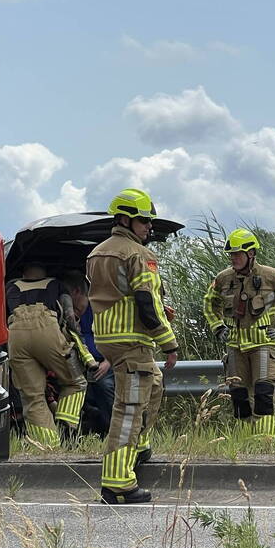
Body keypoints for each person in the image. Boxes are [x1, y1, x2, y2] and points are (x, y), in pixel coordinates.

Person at [87, 188, 178, 504]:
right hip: (132, 339)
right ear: (125, 219)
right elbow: (145, 301)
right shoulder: (138, 254)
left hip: (108, 338)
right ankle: (118, 482)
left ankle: (138, 447)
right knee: (128, 409)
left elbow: (118, 295)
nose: (149, 227)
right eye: (144, 221)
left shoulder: (96, 253)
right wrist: (169, 342)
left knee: (154, 383)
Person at [202, 228, 275, 439]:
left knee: (264, 394)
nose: (233, 258)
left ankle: (265, 443)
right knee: (239, 396)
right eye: (231, 254)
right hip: (235, 348)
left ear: (251, 253)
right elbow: (209, 304)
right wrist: (218, 327)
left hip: (263, 346)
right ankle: (245, 443)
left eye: (237, 254)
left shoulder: (272, 276)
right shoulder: (223, 278)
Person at [6, 263, 93, 447]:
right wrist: (80, 345)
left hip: (16, 336)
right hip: (46, 329)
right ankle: (66, 426)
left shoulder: (10, 286)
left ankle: (48, 445)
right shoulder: (55, 284)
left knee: (32, 397)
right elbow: (70, 318)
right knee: (76, 381)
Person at [61, 270, 115, 437]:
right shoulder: (66, 313)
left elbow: (115, 336)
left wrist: (108, 362)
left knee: (104, 386)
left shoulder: (99, 308)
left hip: (104, 362)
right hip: (78, 363)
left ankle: (113, 431)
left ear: (77, 292)